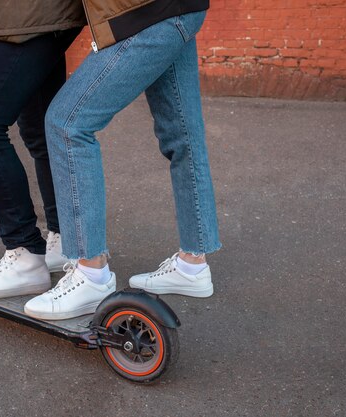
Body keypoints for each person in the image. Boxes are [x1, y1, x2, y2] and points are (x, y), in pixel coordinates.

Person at [24, 0, 221, 320]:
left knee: (67, 123)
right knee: (184, 136)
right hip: (179, 8)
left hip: (142, 12)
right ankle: (192, 265)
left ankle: (90, 274)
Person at [0, 0, 85, 300]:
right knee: (40, 128)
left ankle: (24, 256)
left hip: (30, 13)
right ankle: (63, 241)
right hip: (43, 14)